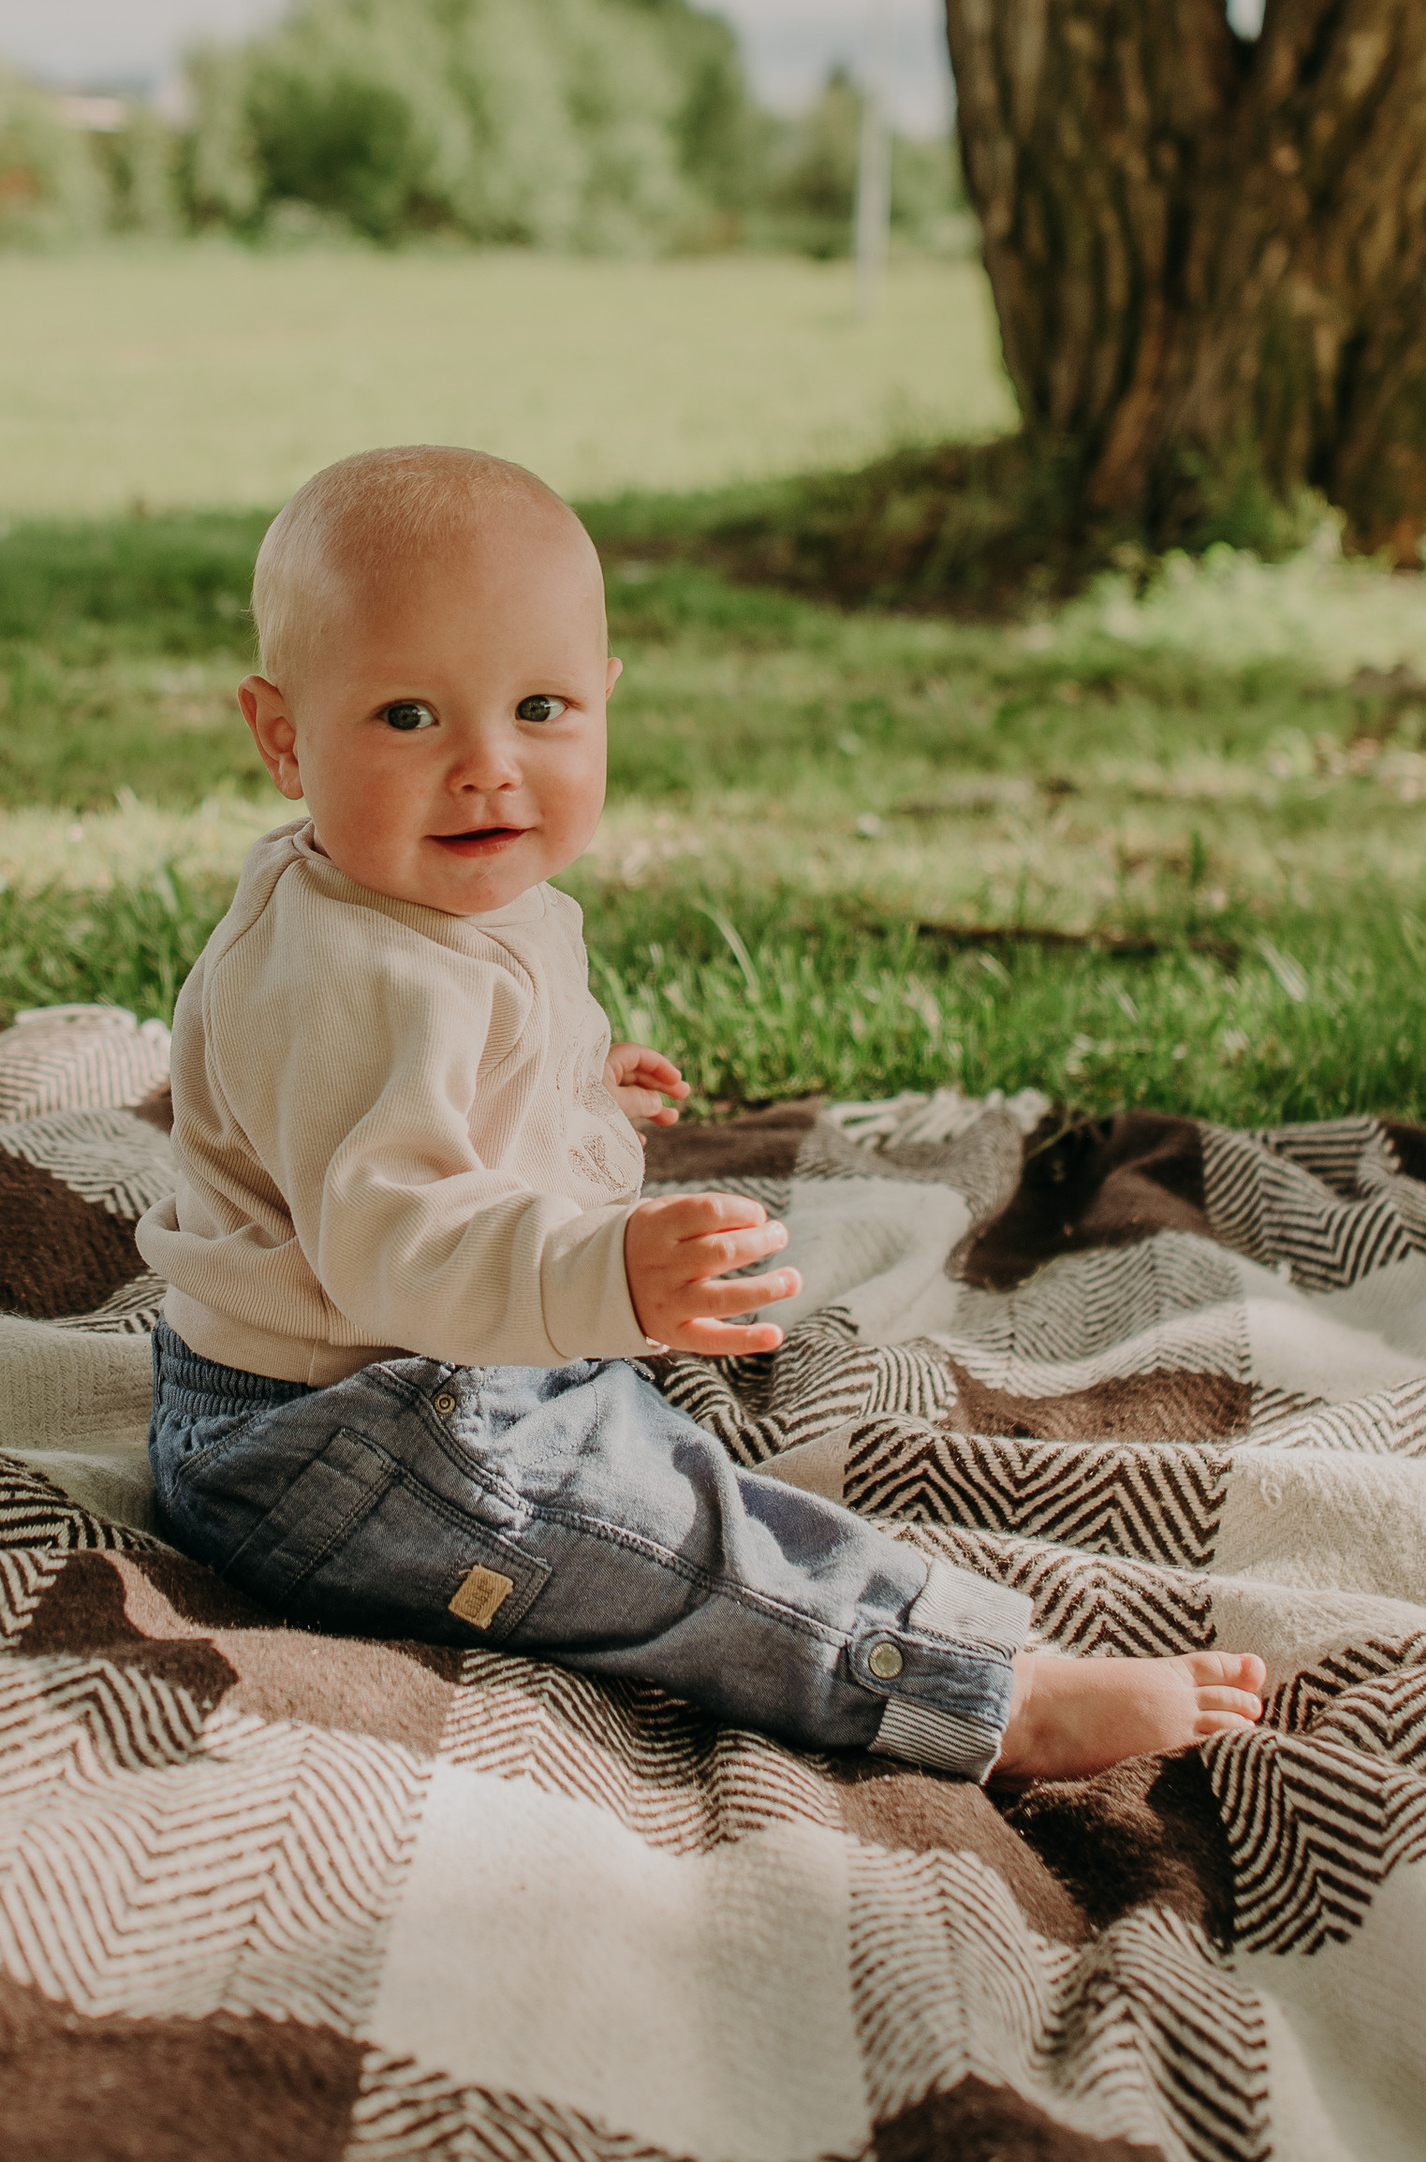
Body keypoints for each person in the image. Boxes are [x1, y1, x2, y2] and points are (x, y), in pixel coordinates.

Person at [139, 445, 1266, 1783]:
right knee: (675, 1557)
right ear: (283, 735)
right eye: (406, 720)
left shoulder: (426, 892)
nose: (487, 769)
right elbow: (395, 1238)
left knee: (660, 1476)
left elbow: (438, 1107)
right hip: (335, 1440)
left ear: (606, 703)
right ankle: (984, 1696)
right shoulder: (352, 973)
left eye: (541, 709)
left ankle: (904, 1624)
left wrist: (573, 1091)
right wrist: (594, 1267)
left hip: (423, 1374)